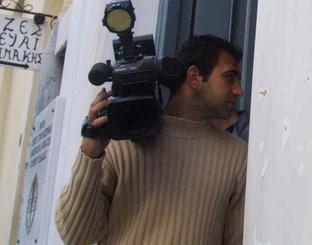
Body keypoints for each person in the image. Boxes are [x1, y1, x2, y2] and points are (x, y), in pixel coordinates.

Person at [55, 35, 247, 245]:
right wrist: (90, 151)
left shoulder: (237, 156)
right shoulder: (121, 141)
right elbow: (76, 236)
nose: (239, 91)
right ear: (195, 77)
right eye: (229, 77)